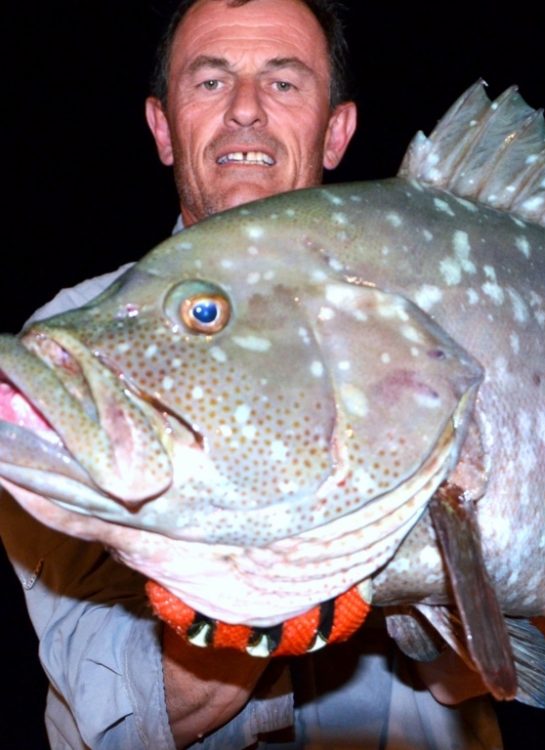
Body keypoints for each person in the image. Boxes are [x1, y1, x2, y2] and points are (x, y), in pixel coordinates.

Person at [0, 1, 499, 747]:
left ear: (336, 132)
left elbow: (486, 662)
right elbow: (117, 716)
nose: (244, 111)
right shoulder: (74, 347)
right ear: (163, 127)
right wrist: (257, 611)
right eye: (209, 81)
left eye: (284, 83)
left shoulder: (455, 308)